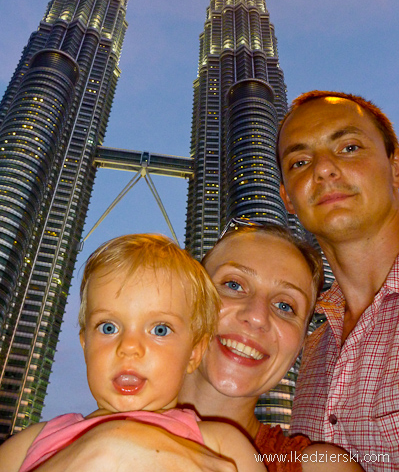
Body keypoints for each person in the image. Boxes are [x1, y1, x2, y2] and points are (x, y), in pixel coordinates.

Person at [12, 224, 364, 472]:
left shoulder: (317, 466)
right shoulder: (40, 439)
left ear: (303, 339)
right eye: (233, 284)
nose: (257, 317)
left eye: (286, 305)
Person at [0, 233, 265, 472]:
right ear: (85, 343)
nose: (128, 347)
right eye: (108, 327)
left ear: (194, 353)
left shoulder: (223, 444)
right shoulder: (30, 442)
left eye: (160, 330)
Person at [277, 90, 399, 471]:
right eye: (299, 161)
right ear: (288, 200)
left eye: (348, 147)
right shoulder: (313, 345)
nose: (322, 169)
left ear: (395, 168)